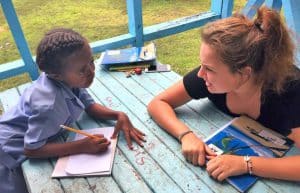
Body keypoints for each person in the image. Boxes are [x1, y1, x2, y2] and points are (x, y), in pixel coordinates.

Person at [148, 6, 300, 182]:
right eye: (202, 65)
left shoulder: (289, 92)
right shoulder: (208, 79)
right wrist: (186, 135)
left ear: (244, 73)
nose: (200, 74)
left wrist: (246, 164)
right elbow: (158, 103)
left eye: (209, 68)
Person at [0, 28, 146, 193]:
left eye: (91, 61)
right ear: (57, 75)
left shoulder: (70, 80)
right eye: (82, 70)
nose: (91, 71)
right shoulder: (49, 104)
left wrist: (118, 115)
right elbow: (32, 149)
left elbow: (89, 106)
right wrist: (82, 146)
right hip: (8, 155)